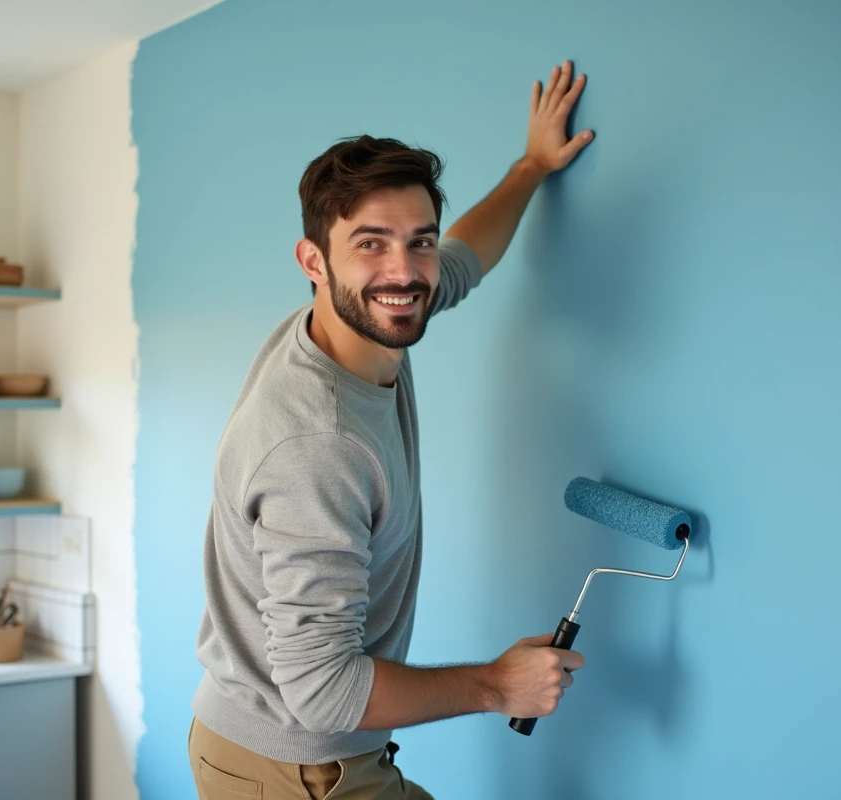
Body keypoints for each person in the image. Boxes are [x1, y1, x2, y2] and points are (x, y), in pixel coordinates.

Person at [189, 60, 595, 799]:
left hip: (282, 745)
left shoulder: (361, 317)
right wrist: (497, 686)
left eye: (419, 240)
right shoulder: (320, 445)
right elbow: (323, 690)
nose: (404, 270)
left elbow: (464, 259)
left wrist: (531, 166)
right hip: (298, 765)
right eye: (371, 243)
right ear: (313, 261)